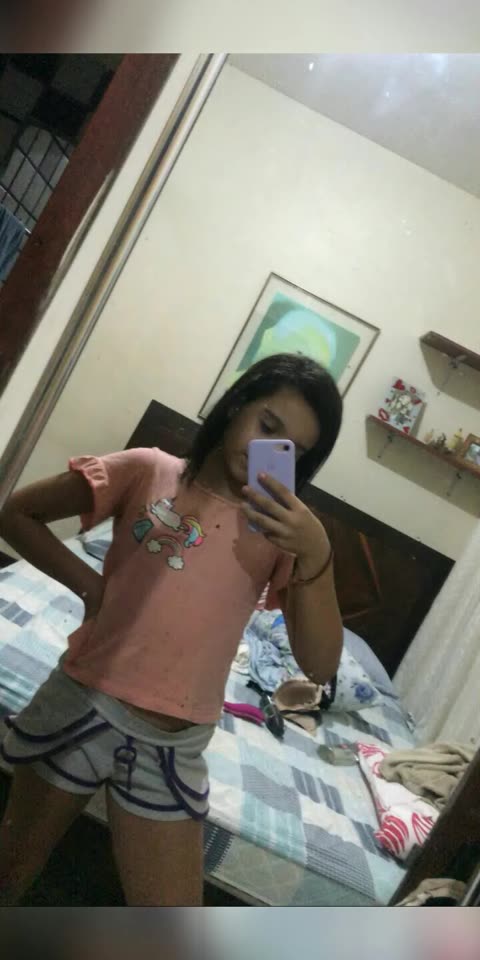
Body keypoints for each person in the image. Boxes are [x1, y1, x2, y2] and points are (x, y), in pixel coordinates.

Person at [0, 353, 343, 906]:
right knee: (9, 877)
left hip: (174, 746)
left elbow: (321, 665)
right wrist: (91, 588)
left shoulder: (284, 533)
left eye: (292, 451)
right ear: (236, 405)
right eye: (267, 425)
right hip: (83, 703)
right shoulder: (148, 470)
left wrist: (317, 550)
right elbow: (16, 513)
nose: (268, 450)